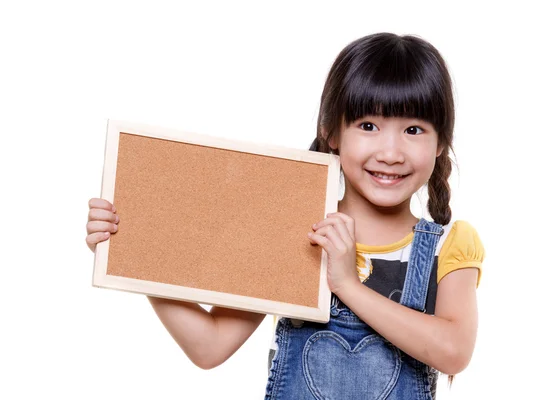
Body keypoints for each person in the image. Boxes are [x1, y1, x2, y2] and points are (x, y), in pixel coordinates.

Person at [86, 32, 484, 400]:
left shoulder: (449, 243)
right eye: (368, 125)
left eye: (414, 129)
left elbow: (453, 351)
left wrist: (347, 284)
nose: (391, 151)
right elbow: (209, 347)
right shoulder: (295, 229)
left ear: (441, 143)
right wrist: (131, 253)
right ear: (332, 133)